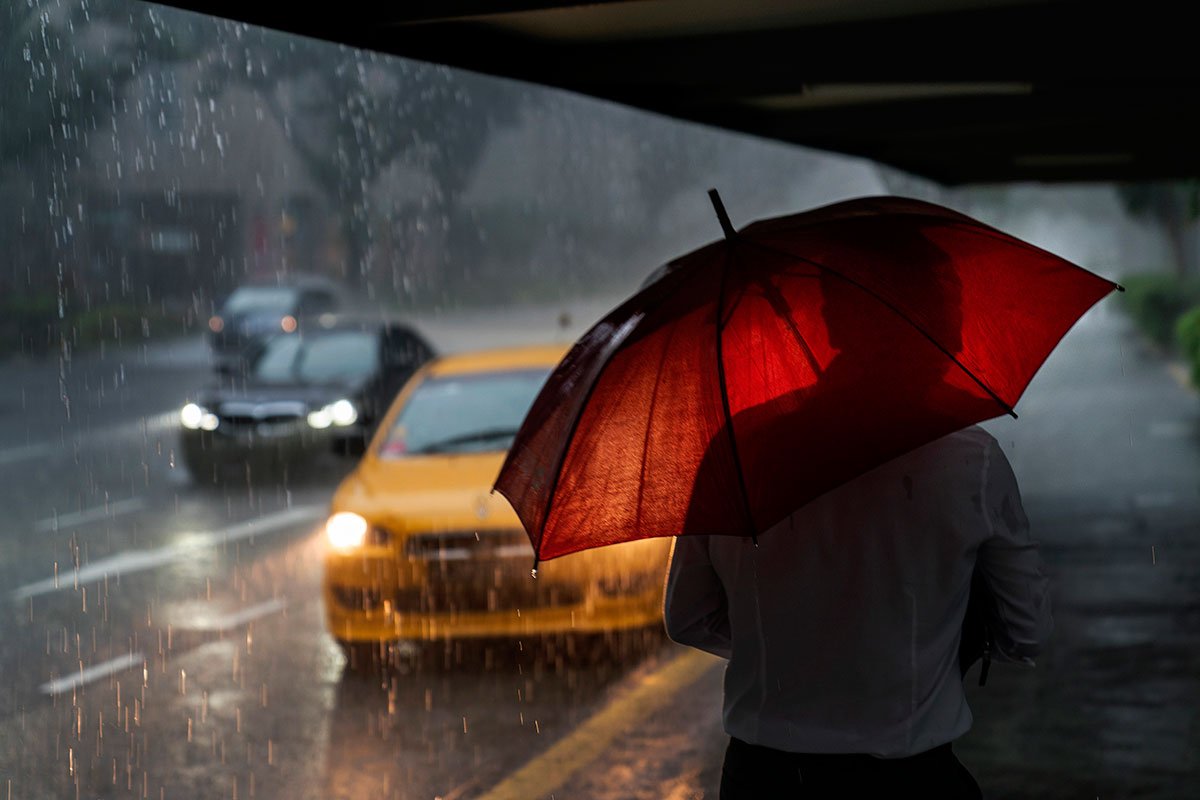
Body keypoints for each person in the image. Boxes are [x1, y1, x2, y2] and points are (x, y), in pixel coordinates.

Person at [663, 228, 1053, 798]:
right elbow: (1028, 632)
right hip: (910, 782)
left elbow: (688, 617)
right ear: (938, 329)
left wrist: (796, 649)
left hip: (765, 780)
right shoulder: (971, 461)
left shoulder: (737, 450)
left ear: (829, 320)